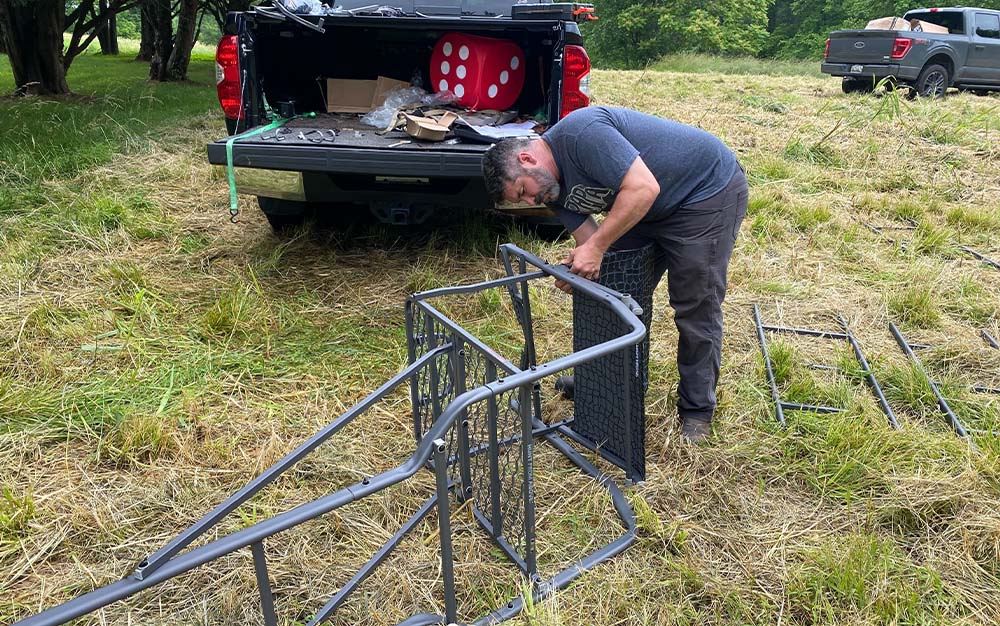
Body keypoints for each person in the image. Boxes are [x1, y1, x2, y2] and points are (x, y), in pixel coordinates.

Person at [482, 106, 747, 443]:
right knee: (611, 291)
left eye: (523, 191)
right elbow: (593, 248)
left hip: (703, 193)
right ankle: (601, 380)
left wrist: (597, 248)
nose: (531, 200)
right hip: (646, 207)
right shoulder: (551, 188)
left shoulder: (582, 134)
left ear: (527, 159)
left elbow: (642, 188)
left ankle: (697, 410)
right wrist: (579, 269)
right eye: (521, 200)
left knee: (695, 304)